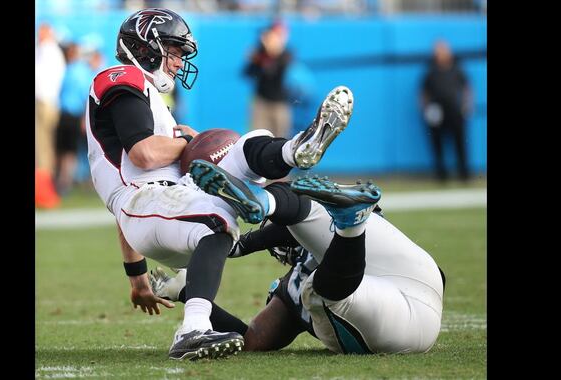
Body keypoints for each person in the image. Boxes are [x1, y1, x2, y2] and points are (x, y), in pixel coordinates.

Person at [85, 7, 353, 361]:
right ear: (147, 46)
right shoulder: (120, 78)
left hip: (163, 203)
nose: (179, 62)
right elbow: (145, 156)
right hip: (146, 203)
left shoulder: (155, 102)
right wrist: (189, 143)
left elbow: (131, 192)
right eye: (174, 50)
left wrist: (137, 279)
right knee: (217, 219)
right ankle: (192, 330)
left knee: (242, 146)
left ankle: (295, 150)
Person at [151, 174, 445, 355]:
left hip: (397, 319)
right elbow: (251, 339)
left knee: (313, 290)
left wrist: (244, 244)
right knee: (314, 259)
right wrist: (187, 290)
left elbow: (252, 340)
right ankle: (278, 205)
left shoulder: (293, 284)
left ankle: (274, 205)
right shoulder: (293, 282)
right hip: (417, 275)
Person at [420, 39, 473, 182]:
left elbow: (467, 88)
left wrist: (467, 105)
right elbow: (424, 92)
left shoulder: (457, 68)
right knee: (437, 143)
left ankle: (464, 174)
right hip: (437, 111)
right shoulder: (431, 71)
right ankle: (441, 174)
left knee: (460, 142)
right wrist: (425, 110)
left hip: (455, 110)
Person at [244, 20, 293, 139]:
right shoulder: (260, 52)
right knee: (256, 138)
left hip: (280, 104)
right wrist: (256, 59)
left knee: (281, 140)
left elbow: (274, 72)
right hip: (261, 101)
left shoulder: (286, 54)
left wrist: (269, 54)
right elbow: (248, 73)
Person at [55, 42, 92, 196]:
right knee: (63, 149)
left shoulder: (80, 71)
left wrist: (85, 117)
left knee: (71, 151)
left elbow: (86, 96)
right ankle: (64, 181)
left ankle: (68, 182)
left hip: (75, 115)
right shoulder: (69, 68)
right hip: (65, 114)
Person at [35, 22, 66, 208]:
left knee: (42, 148)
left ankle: (44, 194)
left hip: (44, 102)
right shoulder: (52, 51)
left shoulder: (47, 50)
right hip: (49, 102)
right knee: (45, 148)